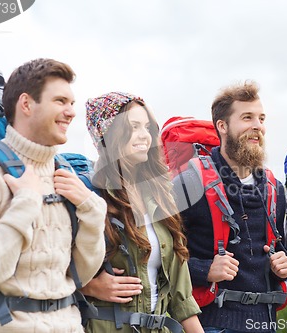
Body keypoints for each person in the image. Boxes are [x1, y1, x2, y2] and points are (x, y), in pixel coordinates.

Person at [0, 58, 107, 332]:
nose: (71, 112)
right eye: (60, 101)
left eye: (72, 103)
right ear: (26, 104)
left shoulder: (66, 174)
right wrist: (25, 203)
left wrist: (93, 212)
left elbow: (79, 276)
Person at [172, 81, 287, 333]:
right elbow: (162, 255)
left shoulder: (274, 187)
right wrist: (204, 270)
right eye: (247, 118)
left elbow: (276, 245)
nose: (257, 126)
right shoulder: (189, 182)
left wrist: (283, 263)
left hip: (266, 322)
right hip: (211, 322)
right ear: (222, 126)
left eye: (261, 118)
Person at [81, 92, 203, 333]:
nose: (144, 136)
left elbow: (182, 298)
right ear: (108, 135)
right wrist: (88, 286)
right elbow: (49, 272)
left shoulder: (159, 194)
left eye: (147, 127)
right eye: (133, 126)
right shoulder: (89, 196)